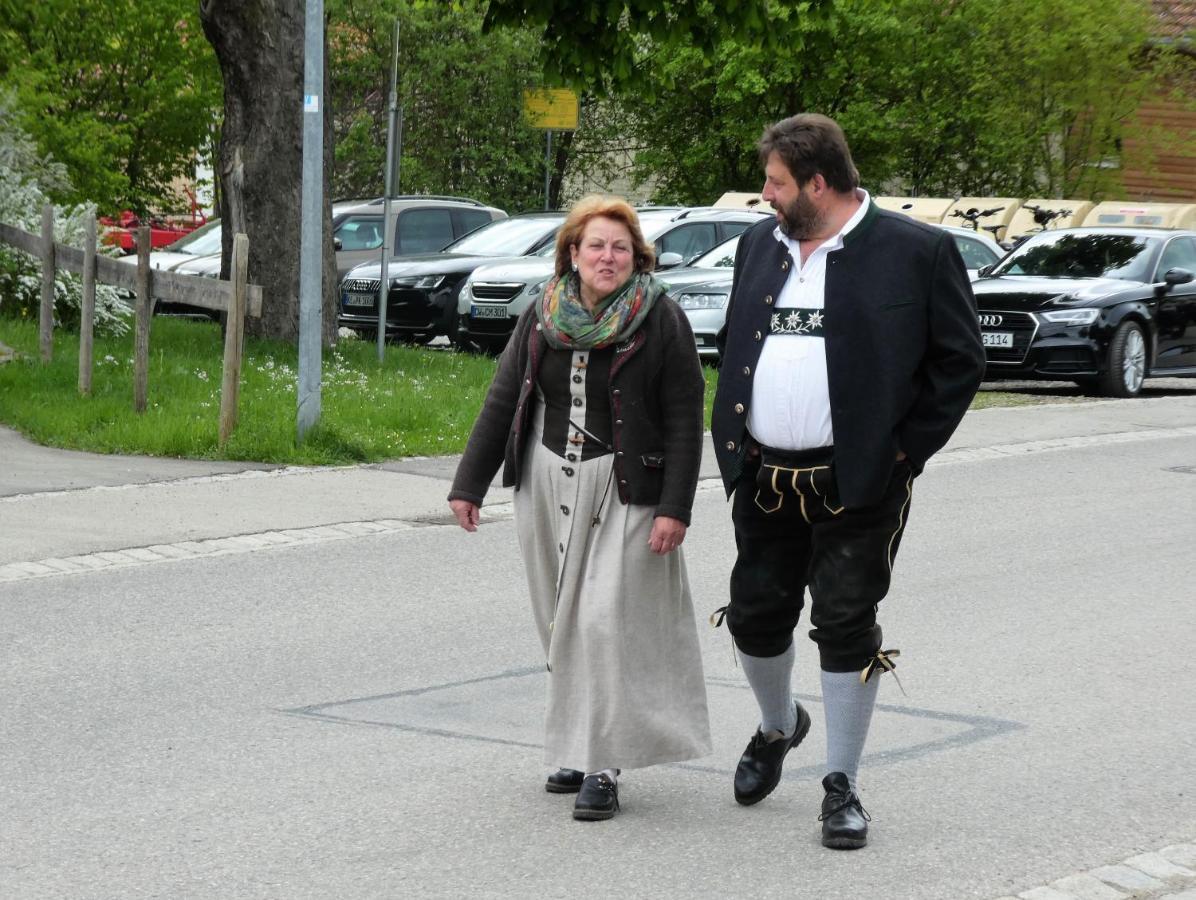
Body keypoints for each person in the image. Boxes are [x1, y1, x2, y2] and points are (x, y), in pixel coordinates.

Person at [710, 114, 984, 849]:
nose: (764, 195)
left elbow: (960, 362)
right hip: (764, 470)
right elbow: (737, 344)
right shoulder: (757, 247)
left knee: (843, 622)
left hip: (859, 480)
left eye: (775, 182)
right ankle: (777, 726)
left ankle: (841, 784)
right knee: (753, 616)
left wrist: (905, 452)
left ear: (818, 184)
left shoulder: (916, 251)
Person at [448, 195, 712, 822]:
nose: (608, 257)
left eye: (621, 247)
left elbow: (683, 415)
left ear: (637, 256)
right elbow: (505, 395)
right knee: (559, 618)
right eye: (596, 245)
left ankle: (604, 763)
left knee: (603, 623)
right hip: (546, 477)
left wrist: (676, 506)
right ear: (572, 251)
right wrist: (469, 484)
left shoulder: (661, 317)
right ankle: (575, 742)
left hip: (626, 486)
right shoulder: (542, 313)